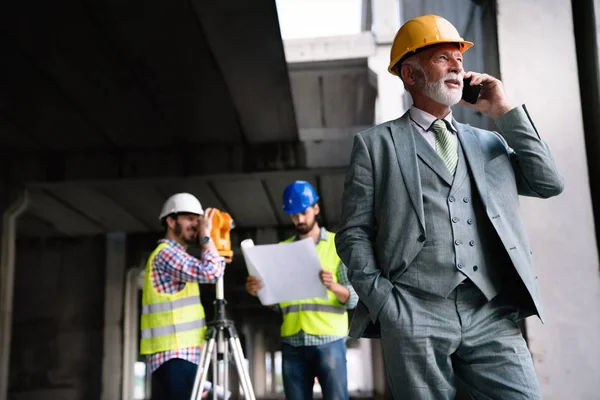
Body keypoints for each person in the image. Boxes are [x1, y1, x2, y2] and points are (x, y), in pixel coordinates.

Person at [334, 14, 564, 400]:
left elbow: (548, 183)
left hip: (490, 312)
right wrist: (386, 303)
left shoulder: (487, 142)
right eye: (443, 58)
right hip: (413, 312)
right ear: (410, 75)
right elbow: (353, 232)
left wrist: (503, 112)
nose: (458, 65)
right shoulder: (376, 145)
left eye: (459, 58)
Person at [245, 181, 358, 400]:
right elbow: (278, 303)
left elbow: (353, 299)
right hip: (293, 343)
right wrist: (258, 291)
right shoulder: (282, 249)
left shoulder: (338, 245)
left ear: (316, 208)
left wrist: (333, 286)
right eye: (293, 215)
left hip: (329, 341)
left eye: (303, 213)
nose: (299, 220)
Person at [140, 192, 226, 400]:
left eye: (198, 220)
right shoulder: (166, 254)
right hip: (173, 356)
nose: (196, 224)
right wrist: (207, 236)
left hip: (183, 356)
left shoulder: (179, 256)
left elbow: (215, 268)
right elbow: (212, 272)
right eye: (189, 218)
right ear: (171, 221)